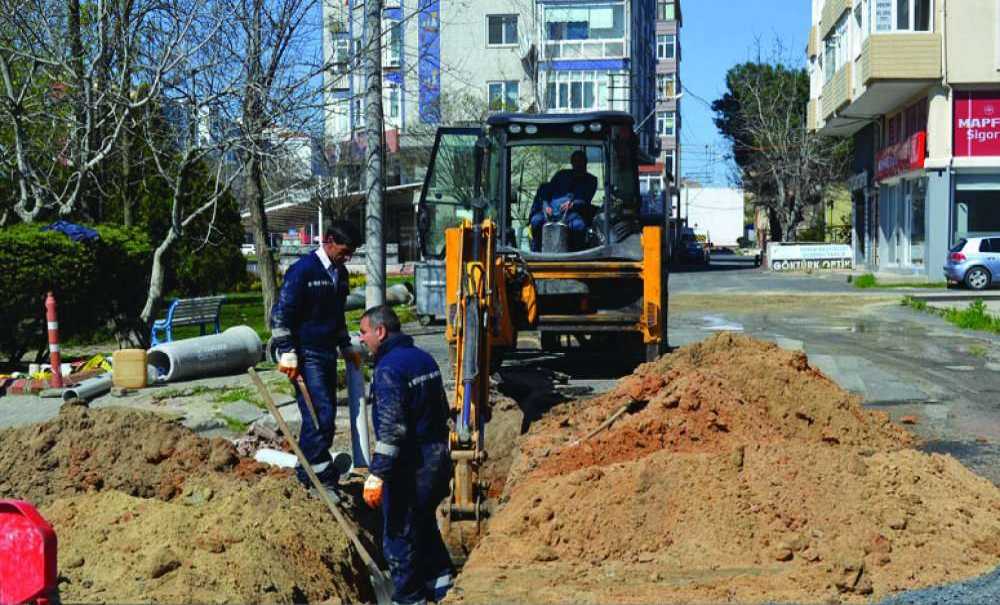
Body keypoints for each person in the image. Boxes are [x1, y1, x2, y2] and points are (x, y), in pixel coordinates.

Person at [358, 305, 454, 605]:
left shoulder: (389, 370)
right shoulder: (423, 358)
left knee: (398, 536)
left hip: (411, 468)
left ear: (380, 331)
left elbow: (392, 431)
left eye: (364, 333)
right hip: (438, 459)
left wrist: (377, 473)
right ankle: (443, 586)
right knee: (423, 525)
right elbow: (440, 408)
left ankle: (410, 599)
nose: (361, 340)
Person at [270, 218, 362, 497]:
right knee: (318, 415)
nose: (347, 257)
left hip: (325, 352)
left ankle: (307, 470)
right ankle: (320, 478)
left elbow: (337, 316)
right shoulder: (303, 271)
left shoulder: (340, 274)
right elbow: (281, 313)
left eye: (351, 253)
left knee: (326, 414)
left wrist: (345, 345)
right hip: (304, 352)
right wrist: (286, 350)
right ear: (328, 241)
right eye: (344, 251)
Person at [528, 150, 599, 250]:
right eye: (575, 161)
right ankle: (537, 252)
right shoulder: (561, 175)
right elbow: (546, 192)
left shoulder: (591, 180)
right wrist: (546, 206)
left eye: (580, 161)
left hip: (572, 214)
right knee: (536, 221)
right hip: (550, 212)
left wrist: (573, 204)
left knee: (579, 226)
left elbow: (585, 199)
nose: (578, 164)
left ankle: (577, 255)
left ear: (585, 163)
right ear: (572, 162)